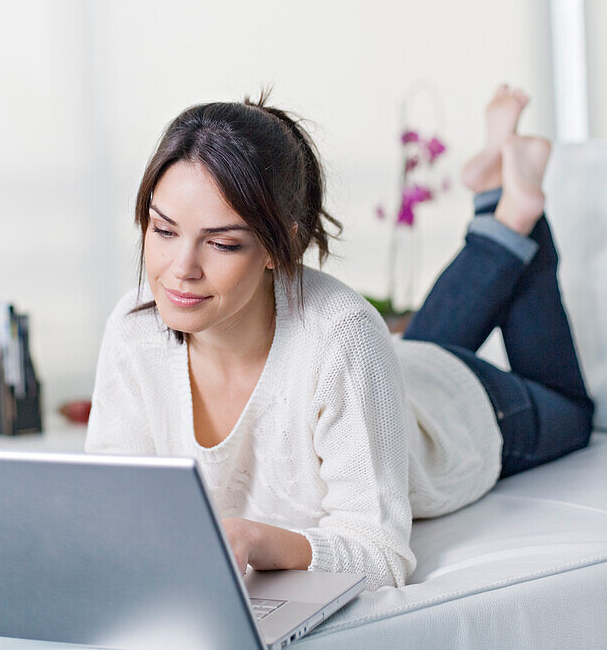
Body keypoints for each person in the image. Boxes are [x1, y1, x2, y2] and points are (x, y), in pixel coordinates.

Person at [85, 86, 594, 590]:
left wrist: (261, 541)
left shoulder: (343, 336)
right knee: (408, 344)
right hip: (396, 367)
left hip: (462, 408)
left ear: (279, 243)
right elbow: (110, 510)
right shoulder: (135, 331)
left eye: (221, 243)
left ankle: (518, 206)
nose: (180, 271)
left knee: (574, 409)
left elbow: (382, 554)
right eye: (163, 231)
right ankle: (499, 199)